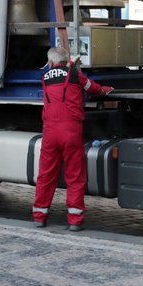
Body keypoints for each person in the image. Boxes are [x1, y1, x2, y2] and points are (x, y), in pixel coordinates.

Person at [32, 46, 112, 231]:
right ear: (67, 59)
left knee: (46, 175)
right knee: (75, 176)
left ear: (50, 62)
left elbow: (56, 77)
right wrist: (106, 90)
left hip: (50, 132)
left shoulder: (45, 78)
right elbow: (93, 89)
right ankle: (74, 221)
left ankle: (39, 217)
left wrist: (68, 66)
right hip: (71, 131)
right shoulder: (75, 75)